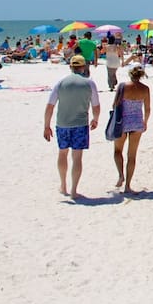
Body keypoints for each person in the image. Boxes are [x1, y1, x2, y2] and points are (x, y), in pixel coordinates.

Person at [43, 55, 101, 200]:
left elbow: (50, 106)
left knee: (62, 153)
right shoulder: (89, 83)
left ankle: (63, 185)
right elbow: (96, 105)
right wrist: (95, 119)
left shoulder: (61, 83)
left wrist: (46, 125)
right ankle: (74, 190)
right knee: (77, 157)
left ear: (70, 66)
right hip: (80, 124)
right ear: (83, 67)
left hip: (62, 124)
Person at [111, 65, 151, 194]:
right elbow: (148, 108)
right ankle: (128, 185)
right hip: (137, 122)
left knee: (117, 151)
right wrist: (145, 121)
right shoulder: (145, 89)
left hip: (122, 122)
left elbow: (115, 104)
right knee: (132, 155)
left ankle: (120, 175)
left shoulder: (123, 87)